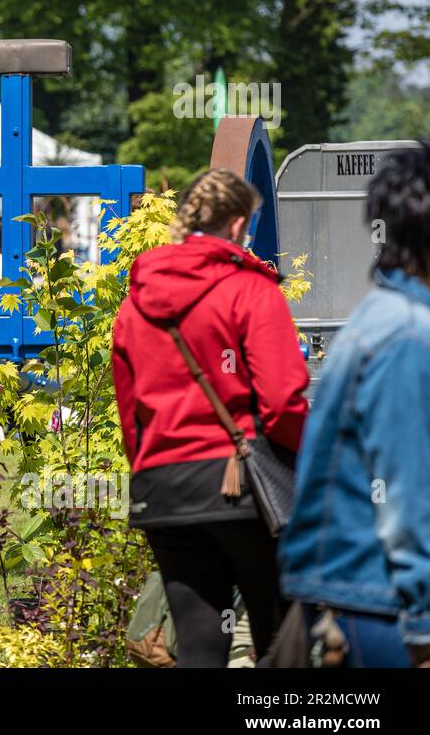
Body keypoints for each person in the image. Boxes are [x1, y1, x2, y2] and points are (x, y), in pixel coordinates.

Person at [111, 168, 309, 667]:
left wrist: (151, 469)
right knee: (281, 637)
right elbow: (283, 402)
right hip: (240, 488)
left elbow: (130, 411)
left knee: (200, 644)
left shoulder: (135, 303)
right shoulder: (250, 290)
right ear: (240, 223)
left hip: (164, 490)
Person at [279, 140, 430, 668]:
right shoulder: (408, 337)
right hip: (387, 608)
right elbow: (408, 495)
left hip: (361, 595)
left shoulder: (381, 320)